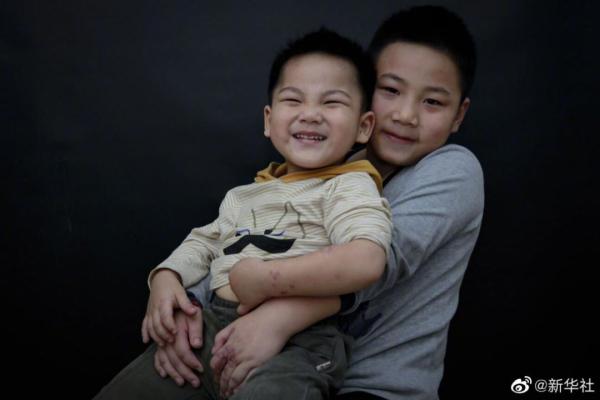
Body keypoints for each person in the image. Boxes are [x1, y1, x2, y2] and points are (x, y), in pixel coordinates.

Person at [154, 5, 484, 400]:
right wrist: (187, 309)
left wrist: (279, 318)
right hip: (271, 362)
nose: (405, 114)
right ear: (363, 92)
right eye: (390, 90)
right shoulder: (320, 163)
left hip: (376, 388)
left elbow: (384, 258)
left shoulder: (453, 169)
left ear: (459, 115)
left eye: (432, 102)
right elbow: (244, 241)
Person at [94, 28, 394, 400]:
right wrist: (166, 278)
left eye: (331, 103)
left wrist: (268, 280)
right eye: (293, 100)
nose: (310, 114)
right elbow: (204, 244)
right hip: (212, 325)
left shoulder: (348, 185)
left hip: (299, 340)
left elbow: (366, 260)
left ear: (363, 127)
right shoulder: (244, 195)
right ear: (269, 120)